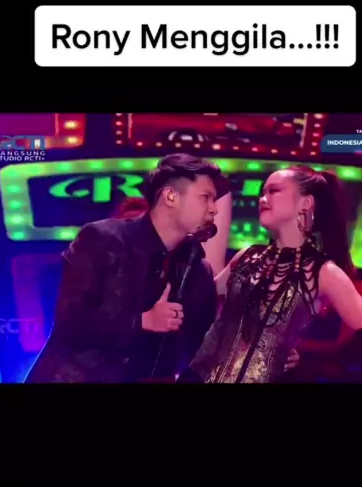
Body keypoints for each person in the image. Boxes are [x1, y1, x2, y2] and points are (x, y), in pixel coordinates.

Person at [24, 153, 231, 383]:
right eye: (206, 197)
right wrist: (142, 321)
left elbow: (202, 351)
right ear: (171, 196)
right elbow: (71, 321)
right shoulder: (103, 239)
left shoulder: (198, 271)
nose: (214, 209)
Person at [178, 165, 362, 383]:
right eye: (262, 192)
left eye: (274, 191)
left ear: (306, 203)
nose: (262, 199)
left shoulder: (324, 271)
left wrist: (309, 363)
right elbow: (201, 300)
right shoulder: (247, 255)